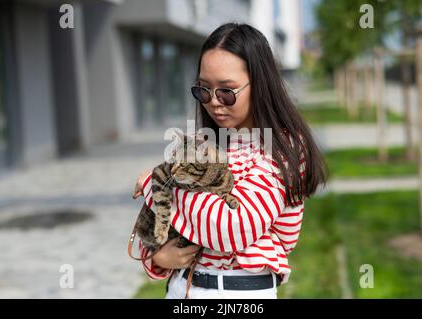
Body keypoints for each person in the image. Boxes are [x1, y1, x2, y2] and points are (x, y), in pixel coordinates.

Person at [133, 23, 327, 299]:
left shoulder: (283, 148)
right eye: (203, 90)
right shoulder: (205, 141)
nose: (213, 102)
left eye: (227, 91)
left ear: (259, 84)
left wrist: (157, 187)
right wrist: (158, 259)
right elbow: (155, 231)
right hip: (181, 288)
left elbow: (231, 227)